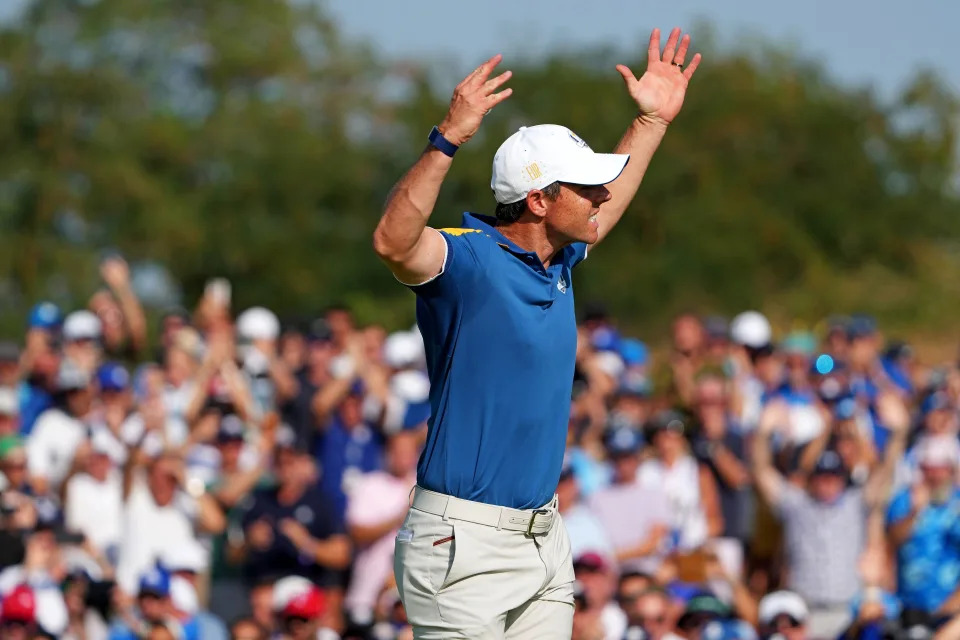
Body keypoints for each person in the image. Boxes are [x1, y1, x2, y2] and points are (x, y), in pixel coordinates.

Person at [373, 26, 701, 639]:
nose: (601, 193)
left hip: (543, 537)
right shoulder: (470, 262)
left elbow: (610, 205)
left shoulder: (561, 262)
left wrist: (651, 124)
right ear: (540, 201)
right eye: (584, 185)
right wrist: (447, 141)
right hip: (461, 545)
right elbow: (392, 242)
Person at [752, 393, 908, 639]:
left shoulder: (856, 503)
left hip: (848, 612)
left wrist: (898, 432)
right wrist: (762, 433)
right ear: (811, 479)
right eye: (821, 477)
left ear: (841, 478)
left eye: (833, 477)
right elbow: (762, 473)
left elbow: (886, 470)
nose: (827, 484)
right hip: (802, 613)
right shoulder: (796, 504)